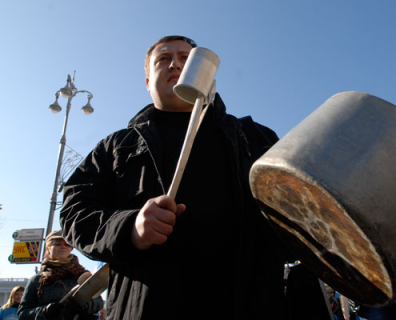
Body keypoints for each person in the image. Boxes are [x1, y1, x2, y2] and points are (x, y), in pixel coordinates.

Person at [59, 35, 327, 319]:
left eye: (186, 58)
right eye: (163, 59)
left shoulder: (256, 138)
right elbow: (75, 211)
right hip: (149, 308)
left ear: (209, 75)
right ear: (148, 83)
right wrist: (129, 228)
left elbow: (303, 214)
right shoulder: (115, 147)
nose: (175, 64)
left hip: (251, 305)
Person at [18, 230, 103, 320]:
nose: (63, 247)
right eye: (58, 244)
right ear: (48, 248)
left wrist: (85, 306)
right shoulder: (37, 280)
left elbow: (98, 302)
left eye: (67, 244)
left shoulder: (82, 274)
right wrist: (44, 311)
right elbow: (23, 313)